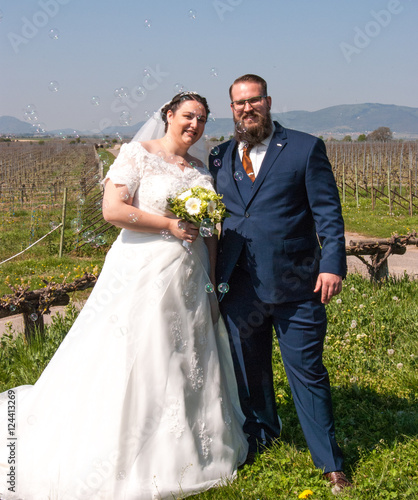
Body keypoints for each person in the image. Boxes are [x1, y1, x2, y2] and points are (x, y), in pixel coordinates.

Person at [0, 91, 248, 500]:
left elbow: (209, 231)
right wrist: (167, 225)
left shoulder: (202, 169)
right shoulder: (138, 154)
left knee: (186, 355)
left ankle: (194, 447)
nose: (195, 126)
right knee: (140, 353)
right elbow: (113, 210)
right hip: (141, 272)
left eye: (202, 120)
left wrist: (213, 283)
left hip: (191, 276)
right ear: (168, 115)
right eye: (188, 116)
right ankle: (126, 453)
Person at [209, 74, 352, 494]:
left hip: (298, 285)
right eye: (239, 103)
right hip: (239, 285)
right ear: (231, 108)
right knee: (249, 373)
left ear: (268, 102)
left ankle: (329, 462)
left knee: (307, 373)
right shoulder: (218, 157)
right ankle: (262, 435)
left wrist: (333, 265)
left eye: (254, 101)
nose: (247, 108)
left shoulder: (306, 148)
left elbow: (328, 213)